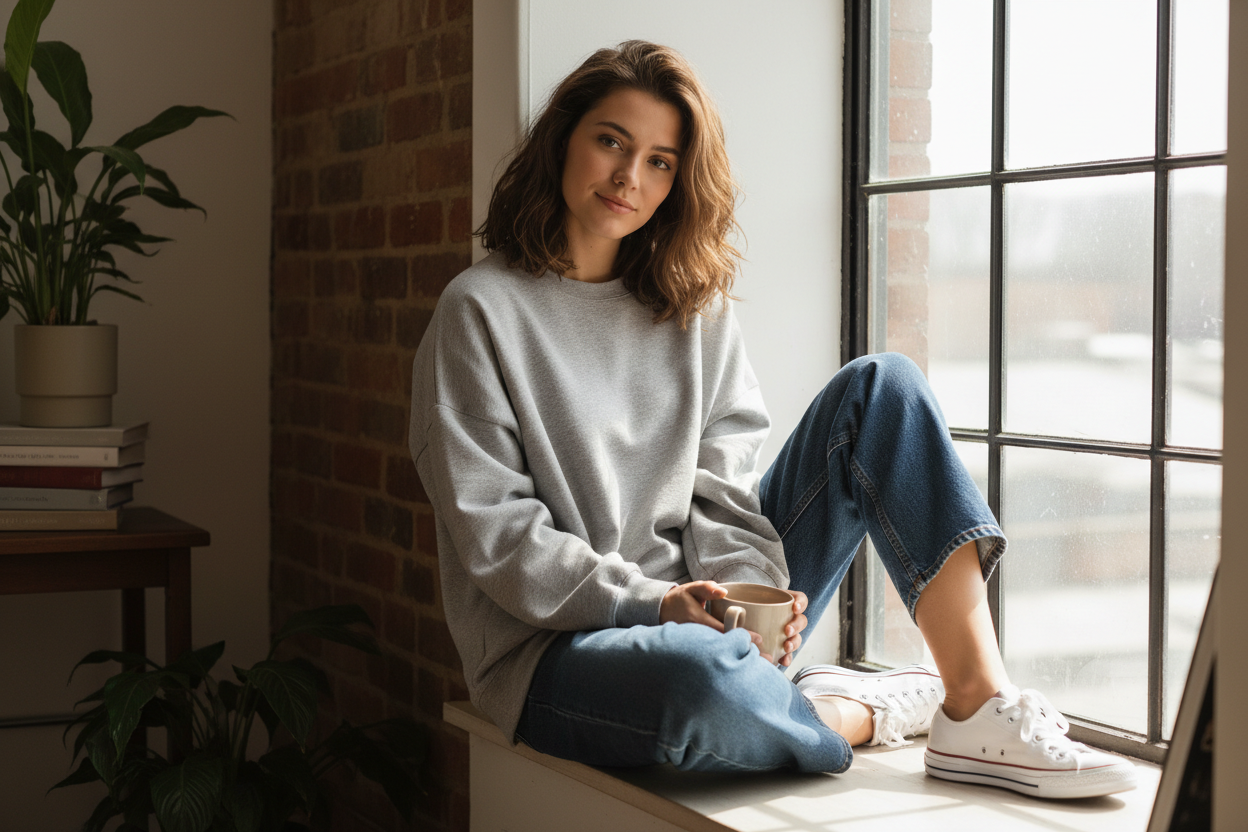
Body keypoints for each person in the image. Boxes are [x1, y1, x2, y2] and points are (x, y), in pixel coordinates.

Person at [408, 40, 1137, 799]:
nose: (630, 177)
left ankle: (975, 705)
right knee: (697, 679)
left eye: (660, 160)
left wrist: (754, 597)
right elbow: (498, 538)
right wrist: (658, 604)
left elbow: (720, 492)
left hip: (707, 619)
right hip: (559, 648)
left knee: (883, 387)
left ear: (679, 181)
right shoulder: (479, 312)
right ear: (565, 140)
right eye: (611, 142)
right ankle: (848, 708)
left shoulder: (690, 308)